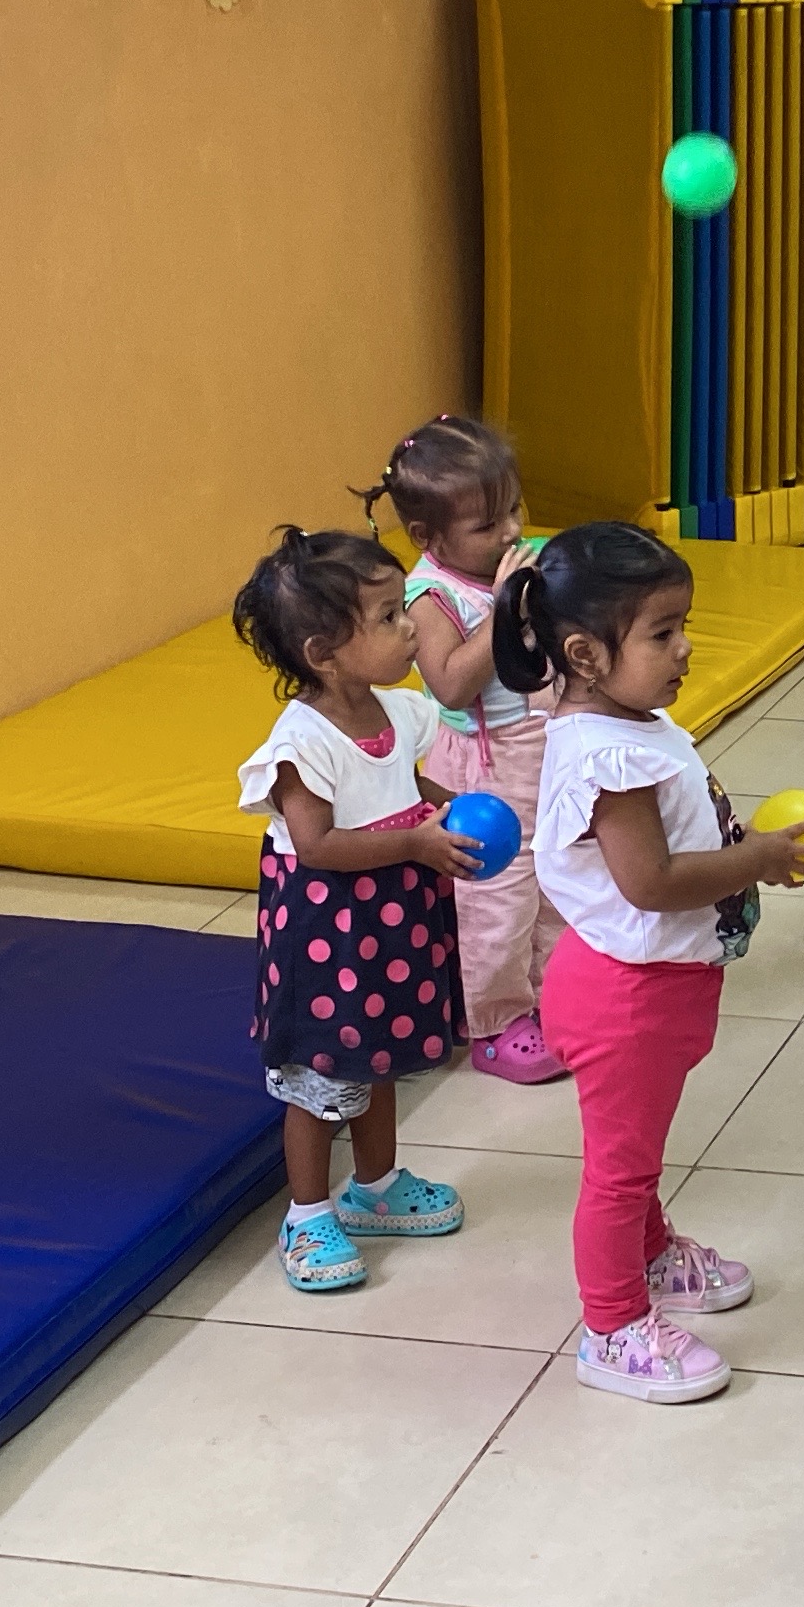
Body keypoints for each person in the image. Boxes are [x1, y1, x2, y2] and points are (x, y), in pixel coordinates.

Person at [494, 523, 804, 1404]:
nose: (685, 648)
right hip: (626, 998)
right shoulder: (610, 758)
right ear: (584, 655)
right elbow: (652, 881)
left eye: (685, 626)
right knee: (618, 1170)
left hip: (645, 985)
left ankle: (649, 1253)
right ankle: (611, 1328)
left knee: (634, 1152)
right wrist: (753, 861)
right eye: (662, 633)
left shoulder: (625, 719)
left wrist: (742, 849)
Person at [229, 526, 479, 1294]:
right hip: (328, 930)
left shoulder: (396, 713)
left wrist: (446, 805)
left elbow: (402, 784)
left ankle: (376, 1187)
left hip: (389, 919)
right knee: (320, 1076)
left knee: (379, 1052)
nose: (410, 629)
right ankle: (307, 1215)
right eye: (387, 618)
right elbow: (317, 846)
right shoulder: (302, 743)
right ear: (323, 653)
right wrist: (415, 843)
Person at [369, 415, 562, 1085]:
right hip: (486, 763)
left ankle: (556, 1000)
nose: (510, 531)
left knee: (556, 878)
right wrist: (506, 608)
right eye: (487, 525)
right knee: (497, 897)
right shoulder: (430, 595)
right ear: (427, 537)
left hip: (543, 743)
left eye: (514, 510)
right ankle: (496, 1022)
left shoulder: (510, 564)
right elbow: (450, 682)